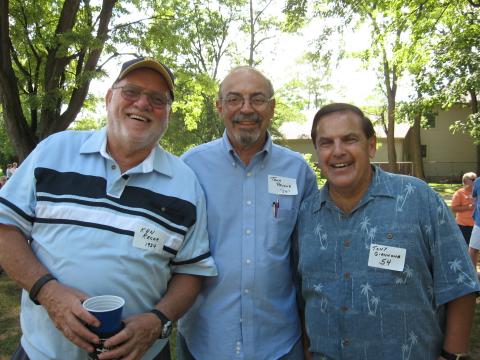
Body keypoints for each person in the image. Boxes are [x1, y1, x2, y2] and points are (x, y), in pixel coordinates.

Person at [0, 58, 217, 360]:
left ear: (167, 114)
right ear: (108, 98)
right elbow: (5, 228)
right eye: (131, 91)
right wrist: (48, 293)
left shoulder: (185, 184)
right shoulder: (54, 151)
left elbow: (191, 271)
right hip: (43, 353)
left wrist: (157, 321)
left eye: (157, 99)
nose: (142, 103)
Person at [297, 103, 479, 359]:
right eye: (326, 143)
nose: (338, 151)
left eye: (349, 139)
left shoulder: (417, 198)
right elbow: (304, 299)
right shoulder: (305, 216)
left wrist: (452, 356)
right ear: (317, 152)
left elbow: (460, 284)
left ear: (371, 145)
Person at [177, 66, 317, 360]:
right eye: (234, 99)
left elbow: (308, 259)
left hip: (280, 342)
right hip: (205, 340)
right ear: (219, 107)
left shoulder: (298, 172)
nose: (246, 109)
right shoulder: (190, 168)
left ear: (272, 107)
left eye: (257, 99)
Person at [451, 172, 476, 244]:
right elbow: (454, 209)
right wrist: (468, 207)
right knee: (465, 246)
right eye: (473, 179)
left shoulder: (477, 192)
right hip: (463, 226)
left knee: (475, 247)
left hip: (476, 225)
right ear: (465, 181)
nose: (475, 181)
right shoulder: (459, 193)